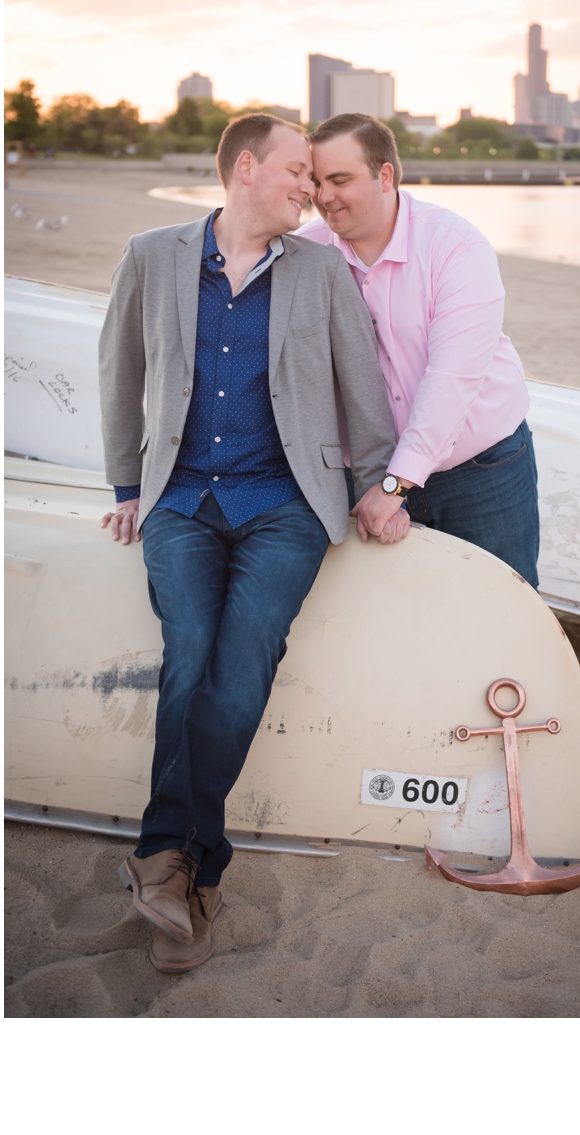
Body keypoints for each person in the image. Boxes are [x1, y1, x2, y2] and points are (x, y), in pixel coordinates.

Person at [98, 114, 395, 975]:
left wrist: (377, 486)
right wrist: (127, 487)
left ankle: (167, 861)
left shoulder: (320, 271)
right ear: (246, 170)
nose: (312, 188)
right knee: (188, 654)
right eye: (300, 171)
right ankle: (195, 872)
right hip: (181, 499)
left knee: (246, 658)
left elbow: (362, 385)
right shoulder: (152, 256)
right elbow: (121, 372)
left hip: (287, 504)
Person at [298, 112, 541, 582]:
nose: (323, 197)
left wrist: (394, 485)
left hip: (481, 471)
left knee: (502, 610)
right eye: (316, 181)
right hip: (363, 477)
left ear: (384, 175)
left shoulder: (454, 246)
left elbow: (452, 379)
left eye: (340, 180)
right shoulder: (304, 255)